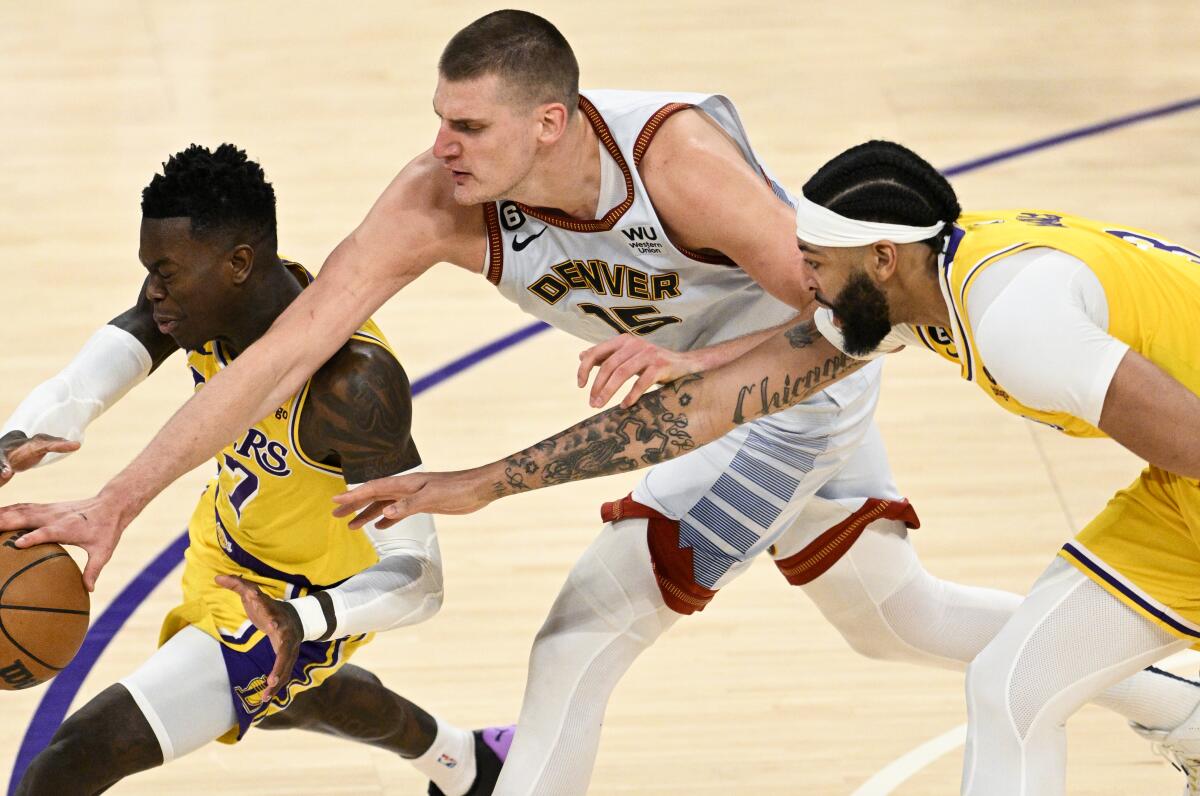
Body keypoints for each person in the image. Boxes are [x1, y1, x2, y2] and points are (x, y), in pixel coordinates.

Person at [0, 11, 1195, 793]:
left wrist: (705, 375)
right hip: (736, 398)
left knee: (577, 638)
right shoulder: (435, 201)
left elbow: (847, 325)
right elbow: (279, 352)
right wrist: (115, 501)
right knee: (897, 618)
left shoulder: (673, 164)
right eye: (437, 119)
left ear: (552, 123)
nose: (440, 146)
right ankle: (1179, 704)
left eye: (466, 125)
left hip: (785, 402)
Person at [340, 139, 1200, 793]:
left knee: (1008, 684)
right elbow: (743, 388)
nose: (804, 286)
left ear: (881, 261)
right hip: (1177, 494)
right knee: (1008, 682)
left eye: (816, 269)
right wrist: (480, 483)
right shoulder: (924, 283)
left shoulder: (1020, 324)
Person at [1, 144, 509, 796]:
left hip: (296, 599)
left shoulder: (353, 385)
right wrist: (17, 433)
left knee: (71, 761)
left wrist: (311, 620)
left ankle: (463, 762)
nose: (153, 290)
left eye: (166, 272)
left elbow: (421, 581)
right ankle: (464, 762)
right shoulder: (200, 301)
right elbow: (89, 377)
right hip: (227, 542)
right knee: (285, 703)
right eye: (148, 270)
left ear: (239, 263)